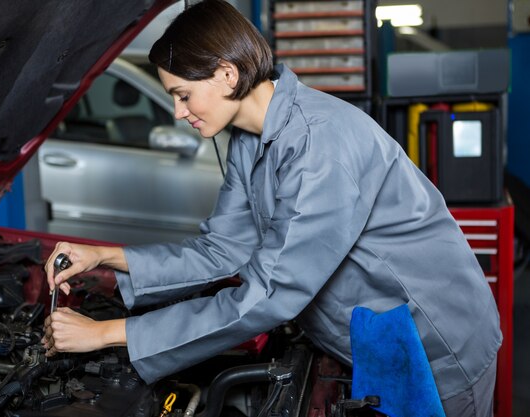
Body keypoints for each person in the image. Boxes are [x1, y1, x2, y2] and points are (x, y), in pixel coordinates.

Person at [42, 1, 501, 415]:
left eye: (182, 95)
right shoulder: (249, 141)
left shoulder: (320, 145)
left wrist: (107, 333)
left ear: (226, 74)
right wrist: (105, 256)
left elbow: (270, 293)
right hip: (370, 336)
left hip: (433, 343)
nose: (178, 113)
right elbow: (223, 248)